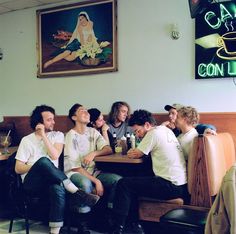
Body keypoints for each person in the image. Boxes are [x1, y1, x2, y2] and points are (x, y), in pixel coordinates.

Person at [15, 105, 99, 234]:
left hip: (52, 179)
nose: (53, 122)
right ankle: (76, 191)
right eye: (49, 120)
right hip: (32, 183)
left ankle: (54, 231)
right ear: (39, 122)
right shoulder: (27, 140)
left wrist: (44, 136)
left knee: (57, 188)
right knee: (43, 161)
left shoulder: (58, 136)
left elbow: (55, 155)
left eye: (53, 119)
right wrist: (39, 166)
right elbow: (18, 168)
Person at [110, 109, 187, 234]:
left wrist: (133, 150)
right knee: (135, 182)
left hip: (169, 185)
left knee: (124, 184)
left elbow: (134, 154)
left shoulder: (153, 133)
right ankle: (135, 225)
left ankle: (117, 228)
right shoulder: (165, 130)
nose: (138, 135)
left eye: (137, 131)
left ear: (147, 125)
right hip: (181, 185)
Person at [64, 104, 122, 231]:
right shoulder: (70, 136)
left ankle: (110, 216)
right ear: (74, 117)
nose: (86, 112)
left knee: (118, 181)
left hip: (93, 171)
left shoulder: (93, 132)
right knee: (86, 184)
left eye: (86, 110)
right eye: (81, 111)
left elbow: (108, 148)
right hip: (75, 173)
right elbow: (75, 167)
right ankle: (82, 225)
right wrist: (96, 181)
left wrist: (94, 153)